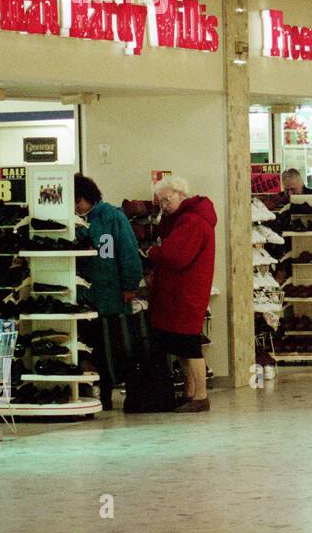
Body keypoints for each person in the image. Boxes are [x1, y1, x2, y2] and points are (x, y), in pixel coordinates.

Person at [74, 174, 143, 411]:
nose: (75, 208)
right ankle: (87, 392)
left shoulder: (113, 217)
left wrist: (130, 285)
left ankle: (107, 394)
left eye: (77, 202)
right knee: (87, 345)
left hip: (111, 294)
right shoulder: (75, 221)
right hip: (85, 296)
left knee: (111, 347)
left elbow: (128, 251)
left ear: (86, 198)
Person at [148, 176, 217, 413]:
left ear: (181, 194)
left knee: (188, 345)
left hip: (185, 293)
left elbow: (175, 257)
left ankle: (200, 395)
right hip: (182, 292)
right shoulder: (186, 219)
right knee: (182, 344)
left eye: (167, 200)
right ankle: (190, 392)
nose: (164, 205)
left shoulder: (192, 222)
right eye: (161, 202)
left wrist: (153, 252)